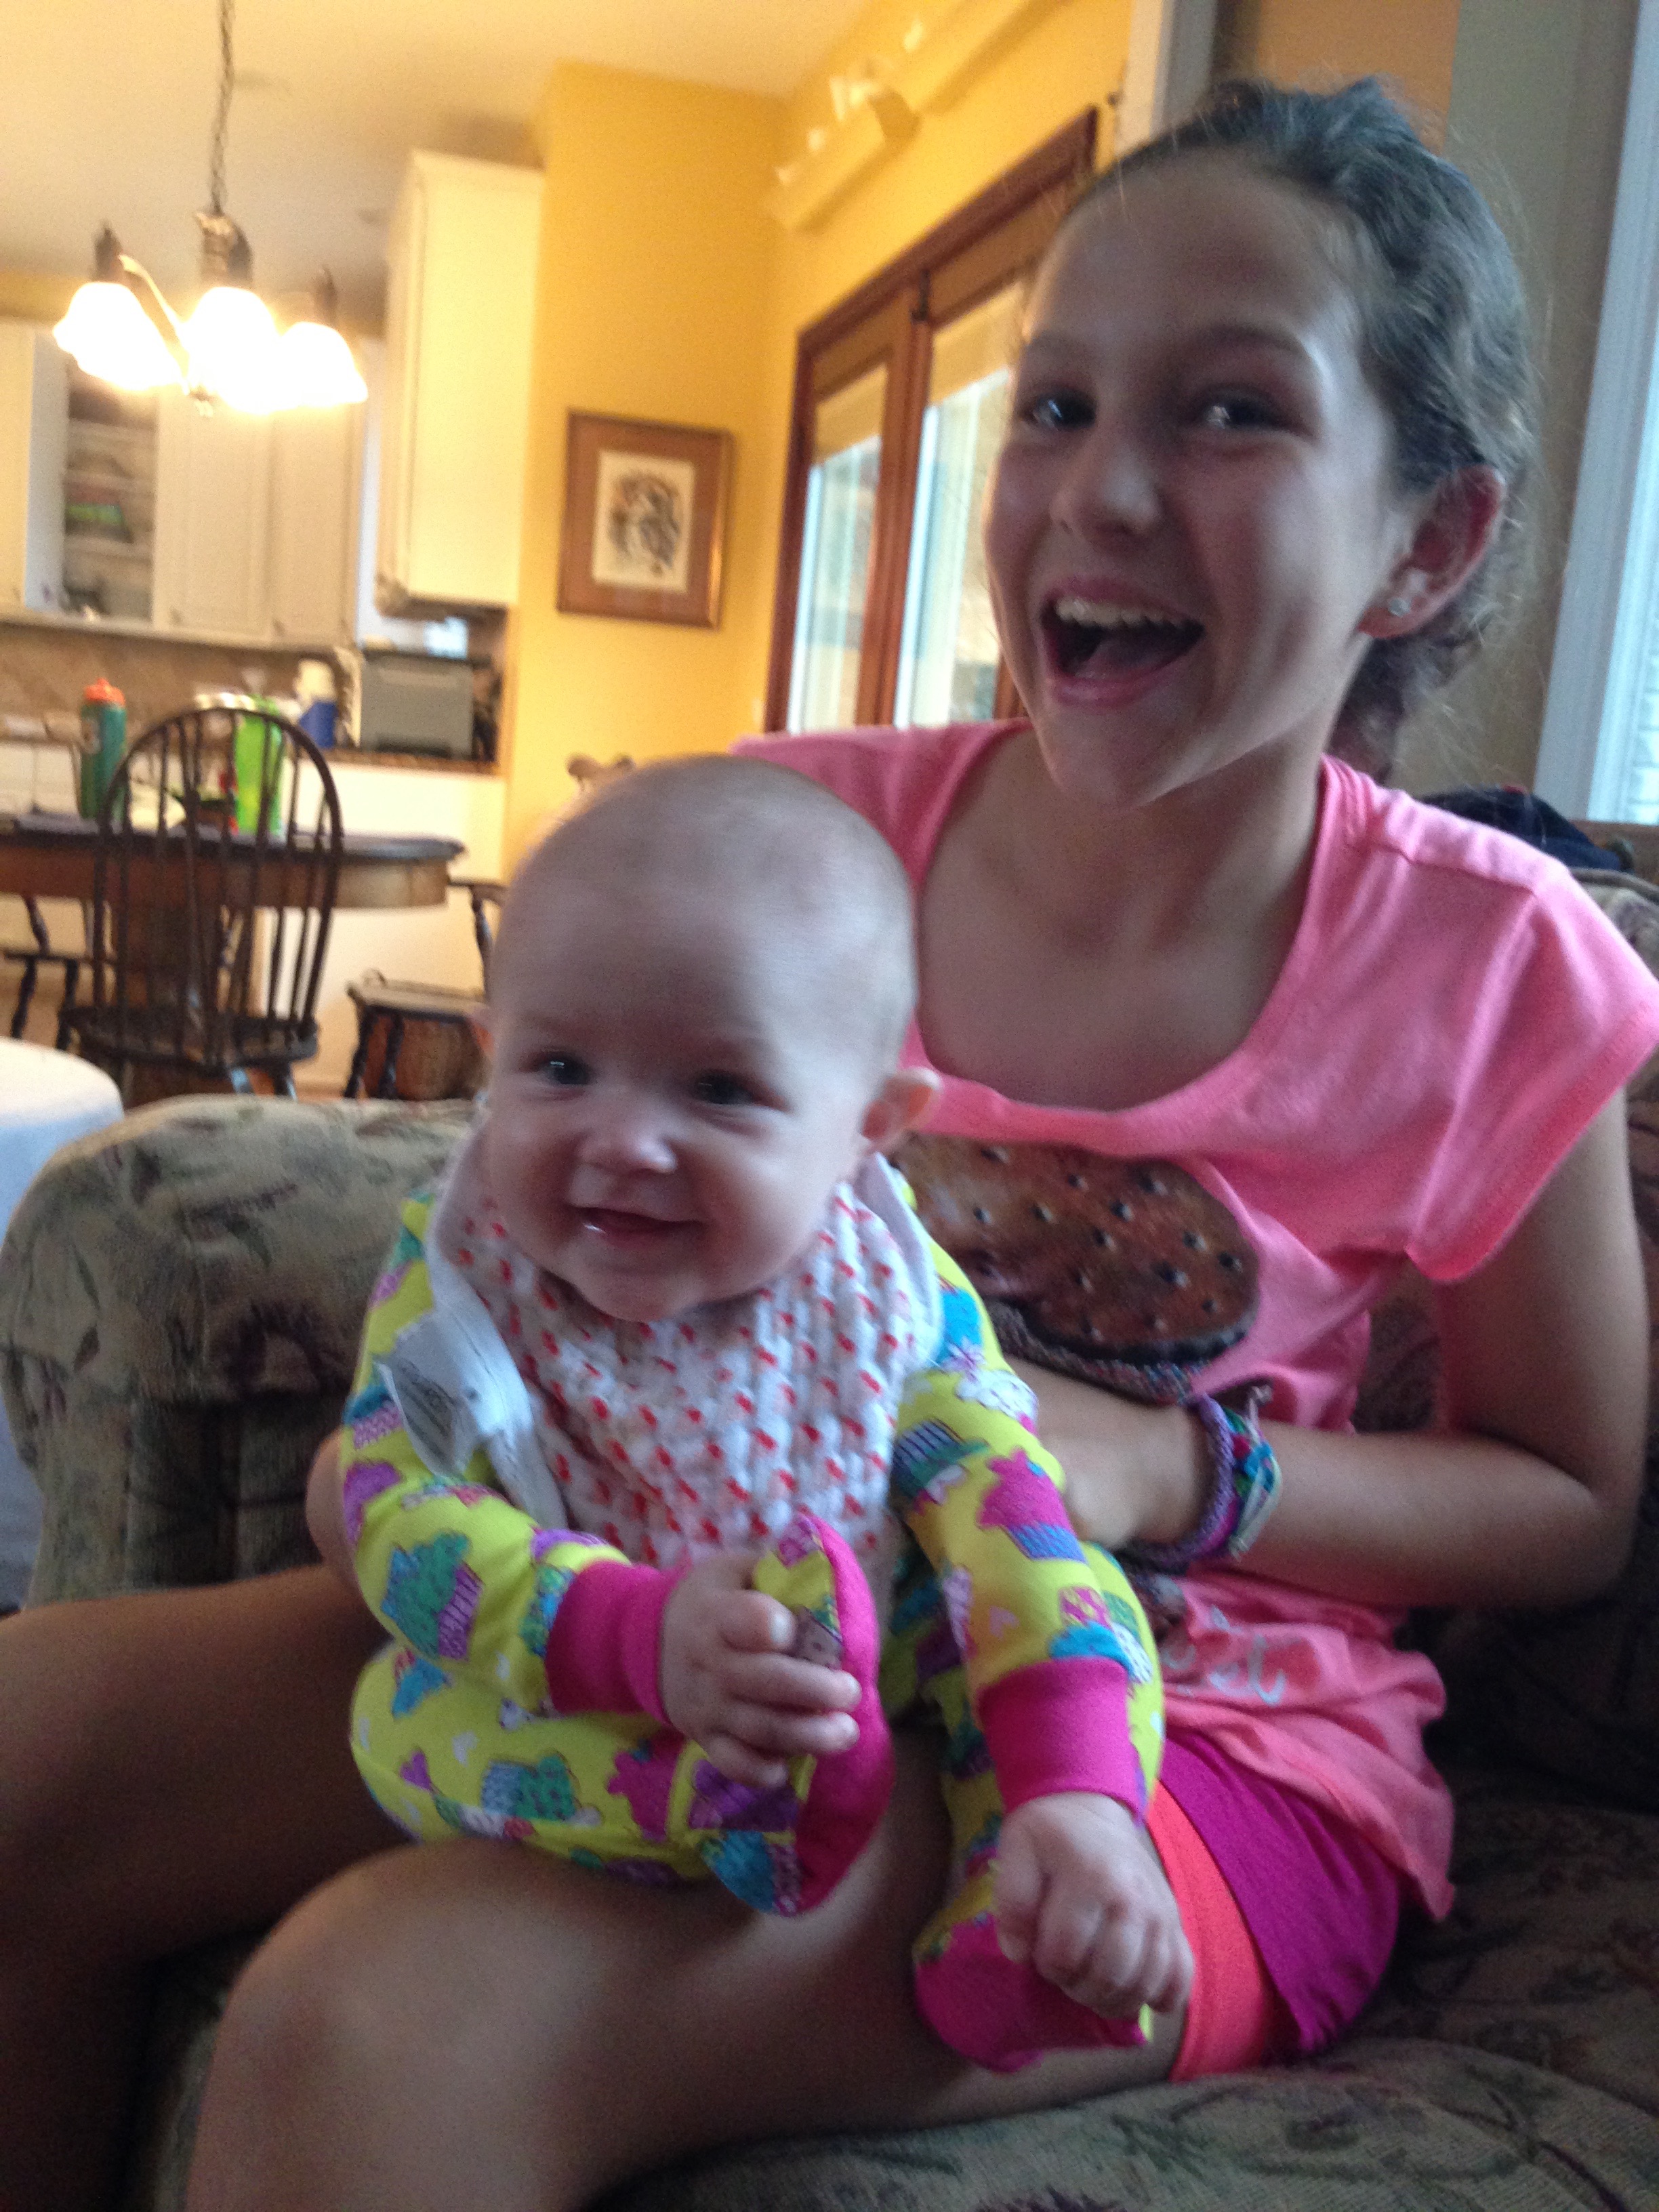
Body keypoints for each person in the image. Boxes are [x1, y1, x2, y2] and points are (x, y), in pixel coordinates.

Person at [0, 75, 1653, 2212]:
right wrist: (425, 1461)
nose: (1101, 488)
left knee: (384, 2025)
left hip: (1191, 1754)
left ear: (1428, 543)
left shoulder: (1491, 961)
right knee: (34, 1751)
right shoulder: (798, 841)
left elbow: (1569, 1504)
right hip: (686, 1604)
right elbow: (523, 1227)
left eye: (1231, 413)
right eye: (1055, 406)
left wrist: (1171, 1468)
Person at [308, 757, 1181, 2072]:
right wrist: (631, 1637)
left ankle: (1038, 1876)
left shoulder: (883, 1292)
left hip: (877, 1650)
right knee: (395, 1721)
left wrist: (1073, 1777)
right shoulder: (468, 1279)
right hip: (596, 1675)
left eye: (718, 1089)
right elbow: (392, 1506)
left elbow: (997, 1503)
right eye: (560, 1068)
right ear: (492, 1057)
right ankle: (710, 1806)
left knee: (1083, 1595)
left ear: (868, 1127)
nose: (623, 1140)